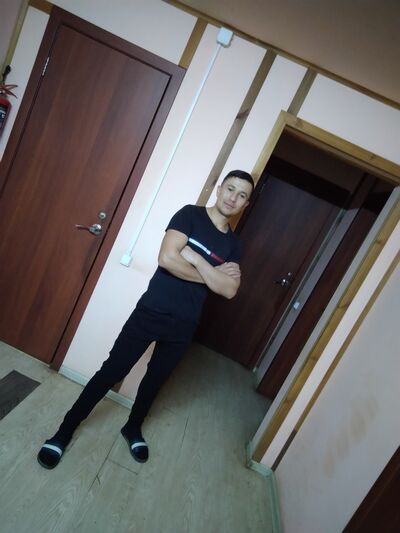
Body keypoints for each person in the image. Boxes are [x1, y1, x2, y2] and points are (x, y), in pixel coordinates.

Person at [37, 170, 254, 469]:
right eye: (230, 189)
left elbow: (229, 290)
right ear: (219, 189)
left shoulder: (234, 245)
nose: (233, 198)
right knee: (111, 371)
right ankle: (64, 430)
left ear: (246, 203)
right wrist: (212, 276)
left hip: (185, 324)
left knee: (155, 382)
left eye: (242, 195)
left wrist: (195, 257)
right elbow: (167, 259)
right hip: (152, 311)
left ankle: (132, 427)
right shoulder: (189, 215)